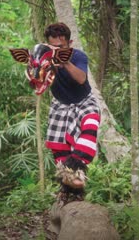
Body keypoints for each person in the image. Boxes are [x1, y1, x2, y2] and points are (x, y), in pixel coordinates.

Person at [43, 22, 100, 202]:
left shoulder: (78, 56)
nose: (56, 50)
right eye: (52, 47)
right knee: (59, 149)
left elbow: (82, 78)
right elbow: (37, 81)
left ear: (70, 43)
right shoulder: (45, 58)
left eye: (60, 47)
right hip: (60, 105)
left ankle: (75, 167)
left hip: (84, 102)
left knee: (90, 126)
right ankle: (68, 190)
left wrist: (64, 61)